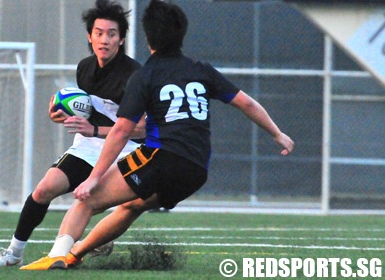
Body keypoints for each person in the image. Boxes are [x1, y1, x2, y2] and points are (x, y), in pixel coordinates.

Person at [20, 0, 294, 270]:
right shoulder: (202, 70)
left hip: (161, 158)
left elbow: (122, 130)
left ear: (148, 38)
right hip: (197, 170)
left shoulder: (144, 75)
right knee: (131, 206)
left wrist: (93, 178)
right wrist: (278, 133)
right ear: (182, 34)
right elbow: (246, 103)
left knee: (87, 199)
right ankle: (76, 254)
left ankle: (56, 255)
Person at [0, 0, 144, 267]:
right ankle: (14, 252)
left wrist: (94, 128)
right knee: (44, 189)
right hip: (87, 146)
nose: (104, 39)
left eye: (111, 34)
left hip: (125, 150)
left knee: (93, 201)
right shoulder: (84, 68)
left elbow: (141, 128)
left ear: (121, 39)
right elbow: (86, 109)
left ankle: (82, 246)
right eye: (99, 33)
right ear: (89, 36)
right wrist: (61, 112)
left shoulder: (134, 75)